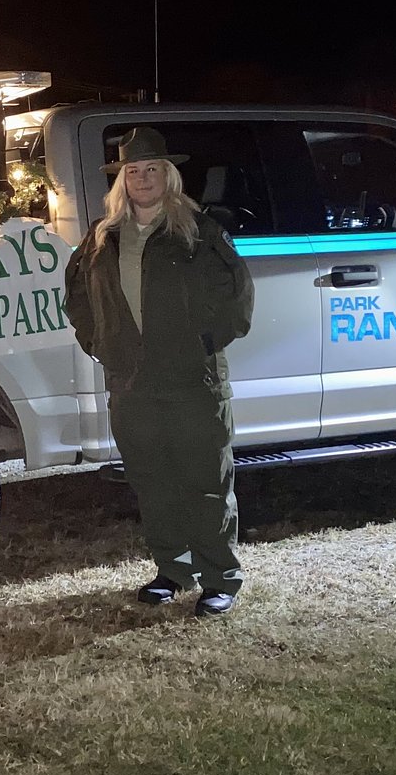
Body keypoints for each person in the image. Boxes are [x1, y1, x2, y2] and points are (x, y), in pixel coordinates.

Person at [64, 127, 255, 617]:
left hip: (193, 380)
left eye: (152, 169)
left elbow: (236, 297)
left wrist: (203, 345)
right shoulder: (101, 239)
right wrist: (102, 344)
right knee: (152, 480)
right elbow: (78, 298)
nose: (143, 179)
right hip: (132, 382)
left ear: (168, 175)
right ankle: (173, 569)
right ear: (121, 181)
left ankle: (220, 577)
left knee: (206, 480)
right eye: (133, 171)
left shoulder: (199, 232)